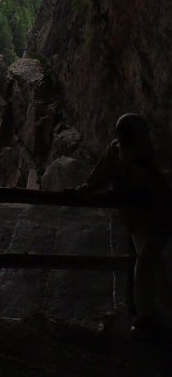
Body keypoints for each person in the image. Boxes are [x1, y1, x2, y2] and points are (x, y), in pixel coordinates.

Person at [77, 113, 172, 339]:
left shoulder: (149, 163)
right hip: (141, 222)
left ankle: (146, 318)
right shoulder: (128, 153)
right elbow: (101, 176)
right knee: (154, 270)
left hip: (155, 221)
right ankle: (153, 317)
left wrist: (91, 191)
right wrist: (86, 190)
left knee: (146, 270)